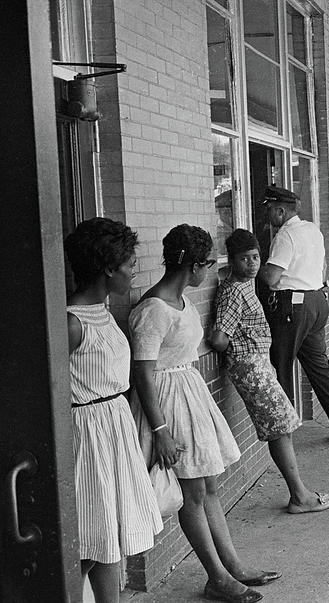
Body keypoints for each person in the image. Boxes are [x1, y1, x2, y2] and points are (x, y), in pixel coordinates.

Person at [130, 224, 277, 603]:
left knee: (209, 486)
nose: (210, 271)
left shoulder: (182, 301)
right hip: (168, 404)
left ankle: (233, 566)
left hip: (190, 395)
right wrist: (160, 429)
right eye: (208, 263)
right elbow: (143, 375)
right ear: (192, 265)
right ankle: (217, 578)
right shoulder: (152, 310)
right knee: (192, 493)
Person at [64, 218, 163, 603]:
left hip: (114, 427)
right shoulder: (72, 323)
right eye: (130, 265)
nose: (134, 272)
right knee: (91, 541)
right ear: (108, 269)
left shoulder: (104, 313)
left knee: (108, 539)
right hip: (88, 435)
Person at [209, 229, 329, 515]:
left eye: (255, 257)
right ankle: (299, 496)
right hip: (249, 365)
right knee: (280, 426)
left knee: (283, 426)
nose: (252, 264)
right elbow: (219, 338)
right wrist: (238, 347)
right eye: (244, 259)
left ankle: (298, 493)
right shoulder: (233, 291)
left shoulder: (247, 285)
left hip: (258, 363)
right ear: (232, 260)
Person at [258, 186, 329, 441]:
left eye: (269, 209)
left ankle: (283, 431)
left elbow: (271, 277)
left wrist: (254, 266)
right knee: (319, 365)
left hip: (292, 306)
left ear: (281, 211)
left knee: (281, 365)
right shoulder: (312, 230)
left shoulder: (284, 236)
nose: (268, 214)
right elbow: (322, 267)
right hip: (316, 300)